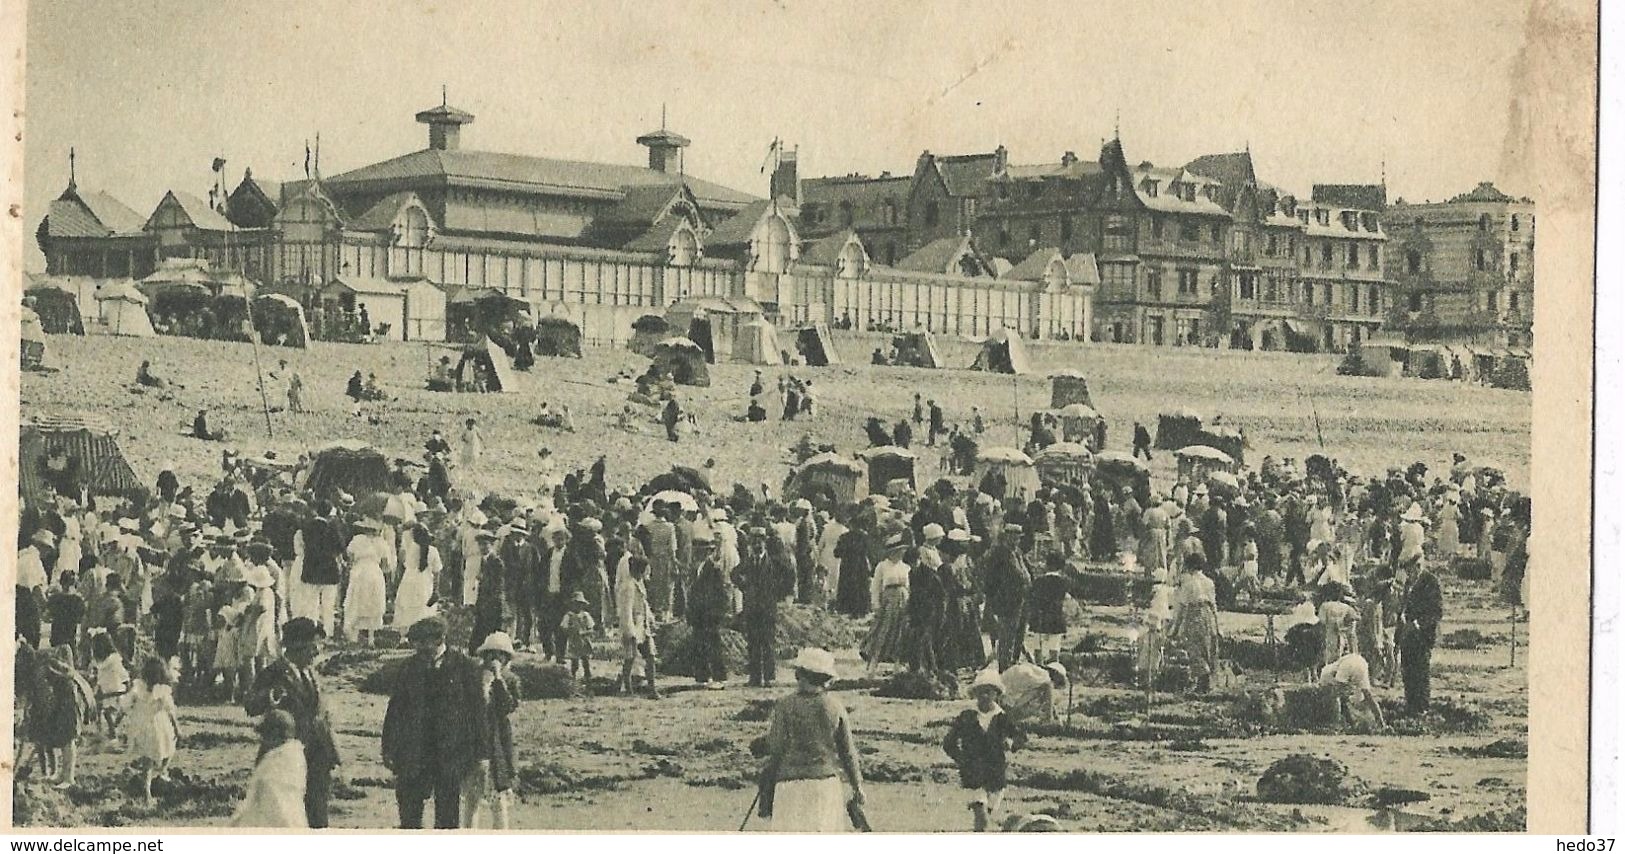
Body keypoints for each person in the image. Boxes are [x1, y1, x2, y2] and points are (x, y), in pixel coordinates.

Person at [383, 617, 488, 829]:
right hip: (415, 751)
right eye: (416, 642)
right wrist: (388, 748)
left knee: (448, 814)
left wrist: (481, 754)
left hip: (450, 752)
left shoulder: (464, 667)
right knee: (409, 811)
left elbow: (478, 713)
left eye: (424, 642)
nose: (419, 647)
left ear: (440, 639)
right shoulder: (409, 667)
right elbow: (395, 710)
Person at [244, 617, 341, 828]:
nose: (316, 653)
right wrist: (270, 697)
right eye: (313, 647)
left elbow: (322, 717)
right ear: (297, 647)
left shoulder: (312, 673)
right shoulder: (274, 673)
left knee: (318, 815)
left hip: (317, 756)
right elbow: (250, 705)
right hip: (285, 758)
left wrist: (333, 753)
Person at [759, 648, 865, 832]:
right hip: (825, 785)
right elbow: (848, 753)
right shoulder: (834, 707)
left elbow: (776, 748)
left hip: (790, 785)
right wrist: (858, 787)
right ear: (826, 678)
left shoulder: (784, 706)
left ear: (798, 674)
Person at [942, 669, 1027, 832]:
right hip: (973, 775)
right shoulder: (967, 717)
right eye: (981, 692)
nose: (985, 696)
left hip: (995, 775)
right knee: (980, 814)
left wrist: (1011, 743)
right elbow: (948, 743)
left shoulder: (1003, 718)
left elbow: (1022, 737)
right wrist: (962, 760)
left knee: (984, 819)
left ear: (996, 694)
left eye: (988, 692)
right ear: (975, 694)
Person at [464, 632, 521, 829]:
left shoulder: (509, 679)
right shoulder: (473, 676)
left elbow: (507, 706)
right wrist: (482, 686)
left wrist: (498, 679)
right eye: (491, 654)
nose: (495, 659)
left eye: (501, 655)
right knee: (472, 797)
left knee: (498, 798)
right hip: (474, 738)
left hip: (498, 740)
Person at [735, 526, 792, 687]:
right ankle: (754, 678)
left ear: (765, 541)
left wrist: (777, 592)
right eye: (754, 541)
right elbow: (734, 574)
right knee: (753, 644)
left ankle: (768, 677)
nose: (756, 544)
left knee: (767, 643)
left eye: (759, 540)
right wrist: (744, 585)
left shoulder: (773, 562)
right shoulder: (747, 561)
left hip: (767, 609)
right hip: (752, 608)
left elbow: (789, 575)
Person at [231, 710, 308, 828]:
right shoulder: (293, 754)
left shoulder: (279, 760)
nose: (263, 739)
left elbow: (275, 801)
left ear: (276, 733)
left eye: (265, 735)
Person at [123, 656, 180, 806]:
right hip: (159, 728)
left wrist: (122, 720)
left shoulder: (137, 688)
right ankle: (162, 772)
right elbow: (171, 711)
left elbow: (126, 705)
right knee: (169, 749)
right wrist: (177, 728)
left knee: (147, 762)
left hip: (141, 728)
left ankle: (147, 793)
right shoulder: (163, 691)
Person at [1397, 555, 1443, 714]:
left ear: (1418, 566)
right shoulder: (1410, 582)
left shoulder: (1430, 582)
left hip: (1422, 636)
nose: (1408, 574)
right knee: (1407, 671)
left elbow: (1436, 612)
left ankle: (1422, 707)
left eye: (1410, 569)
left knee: (1420, 672)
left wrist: (1417, 625)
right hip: (1407, 635)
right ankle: (1411, 705)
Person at [861, 535, 912, 676]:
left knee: (900, 633)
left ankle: (897, 666)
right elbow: (875, 586)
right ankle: (872, 665)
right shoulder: (882, 566)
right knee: (882, 632)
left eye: (903, 550)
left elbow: (909, 587)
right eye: (899, 550)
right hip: (888, 602)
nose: (901, 553)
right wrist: (875, 604)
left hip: (903, 601)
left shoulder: (906, 567)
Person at [1169, 554, 1220, 692]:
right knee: (1207, 647)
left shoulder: (1189, 583)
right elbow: (1214, 605)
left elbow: (1181, 607)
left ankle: (1204, 681)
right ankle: (1205, 682)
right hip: (1208, 615)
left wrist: (1174, 628)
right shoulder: (1209, 582)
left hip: (1195, 614)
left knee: (1194, 648)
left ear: (1189, 567)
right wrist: (1217, 625)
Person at [983, 525, 1031, 670]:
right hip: (1007, 599)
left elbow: (1026, 571)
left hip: (1021, 596)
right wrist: (994, 597)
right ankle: (1004, 665)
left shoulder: (1017, 552)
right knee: (1006, 634)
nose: (1016, 540)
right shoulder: (999, 553)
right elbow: (990, 578)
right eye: (1013, 537)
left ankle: (1013, 660)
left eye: (1018, 538)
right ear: (1006, 536)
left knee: (1019, 631)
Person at [686, 535, 730, 689]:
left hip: (710, 613)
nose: (697, 554)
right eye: (696, 551)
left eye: (701, 552)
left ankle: (719, 676)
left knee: (713, 645)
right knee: (699, 645)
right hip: (698, 613)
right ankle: (702, 675)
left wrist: (719, 612)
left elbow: (722, 594)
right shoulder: (696, 569)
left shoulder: (713, 569)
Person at [616, 555, 660, 697]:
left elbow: (644, 604)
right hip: (634, 625)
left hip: (643, 624)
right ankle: (628, 688)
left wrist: (651, 619)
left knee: (650, 656)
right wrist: (630, 631)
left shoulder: (639, 583)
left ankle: (652, 689)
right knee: (630, 657)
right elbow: (626, 610)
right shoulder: (628, 586)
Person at [344, 519, 389, 645]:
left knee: (356, 601)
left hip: (359, 571)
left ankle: (354, 635)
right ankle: (371, 638)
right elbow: (385, 564)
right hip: (374, 572)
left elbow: (350, 558)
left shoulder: (357, 540)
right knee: (373, 602)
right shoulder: (382, 543)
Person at [1319, 652, 1388, 731]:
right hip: (1360, 661)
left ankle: (1338, 724)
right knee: (1365, 696)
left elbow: (1339, 691)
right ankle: (1380, 723)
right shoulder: (1328, 675)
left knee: (1339, 697)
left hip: (1351, 664)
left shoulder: (1328, 673)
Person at [393, 523, 441, 630]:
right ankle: (422, 632)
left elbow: (403, 562)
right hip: (425, 581)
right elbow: (437, 572)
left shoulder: (410, 549)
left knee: (407, 605)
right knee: (422, 607)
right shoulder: (433, 551)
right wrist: (436, 589)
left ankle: (404, 635)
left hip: (409, 579)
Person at [1026, 553, 1072, 665]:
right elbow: (1066, 598)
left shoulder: (1038, 581)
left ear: (1047, 565)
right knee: (1054, 648)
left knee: (1038, 648)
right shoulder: (1064, 582)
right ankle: (1054, 670)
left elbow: (1030, 598)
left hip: (1040, 618)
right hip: (1056, 619)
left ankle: (1039, 669)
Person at [560, 592, 597, 680]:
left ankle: (587, 676)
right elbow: (564, 628)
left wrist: (585, 632)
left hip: (584, 641)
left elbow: (591, 629)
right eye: (576, 604)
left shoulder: (585, 616)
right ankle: (573, 676)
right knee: (574, 661)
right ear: (572, 604)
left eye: (580, 604)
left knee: (585, 659)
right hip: (574, 641)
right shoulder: (569, 616)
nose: (578, 606)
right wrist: (570, 631)